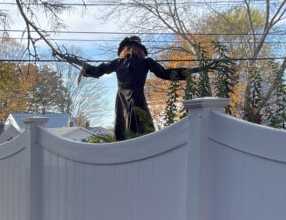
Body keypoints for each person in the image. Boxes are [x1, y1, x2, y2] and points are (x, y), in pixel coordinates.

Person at [79, 36, 214, 141]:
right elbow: (166, 73)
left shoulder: (118, 62)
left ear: (125, 49)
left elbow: (98, 70)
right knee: (142, 129)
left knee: (123, 130)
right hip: (138, 98)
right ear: (140, 49)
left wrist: (84, 67)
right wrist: (194, 70)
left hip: (121, 101)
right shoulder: (146, 62)